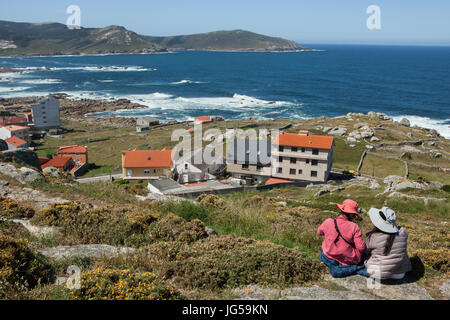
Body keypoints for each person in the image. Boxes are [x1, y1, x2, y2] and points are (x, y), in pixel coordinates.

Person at [317, 199, 368, 278]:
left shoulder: (328, 221)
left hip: (328, 255)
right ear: (351, 214)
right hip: (348, 260)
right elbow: (361, 248)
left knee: (324, 248)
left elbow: (319, 232)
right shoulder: (354, 227)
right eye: (354, 214)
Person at [364, 207, 412, 280]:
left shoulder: (373, 236)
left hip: (378, 273)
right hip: (400, 274)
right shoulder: (403, 233)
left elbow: (365, 251)